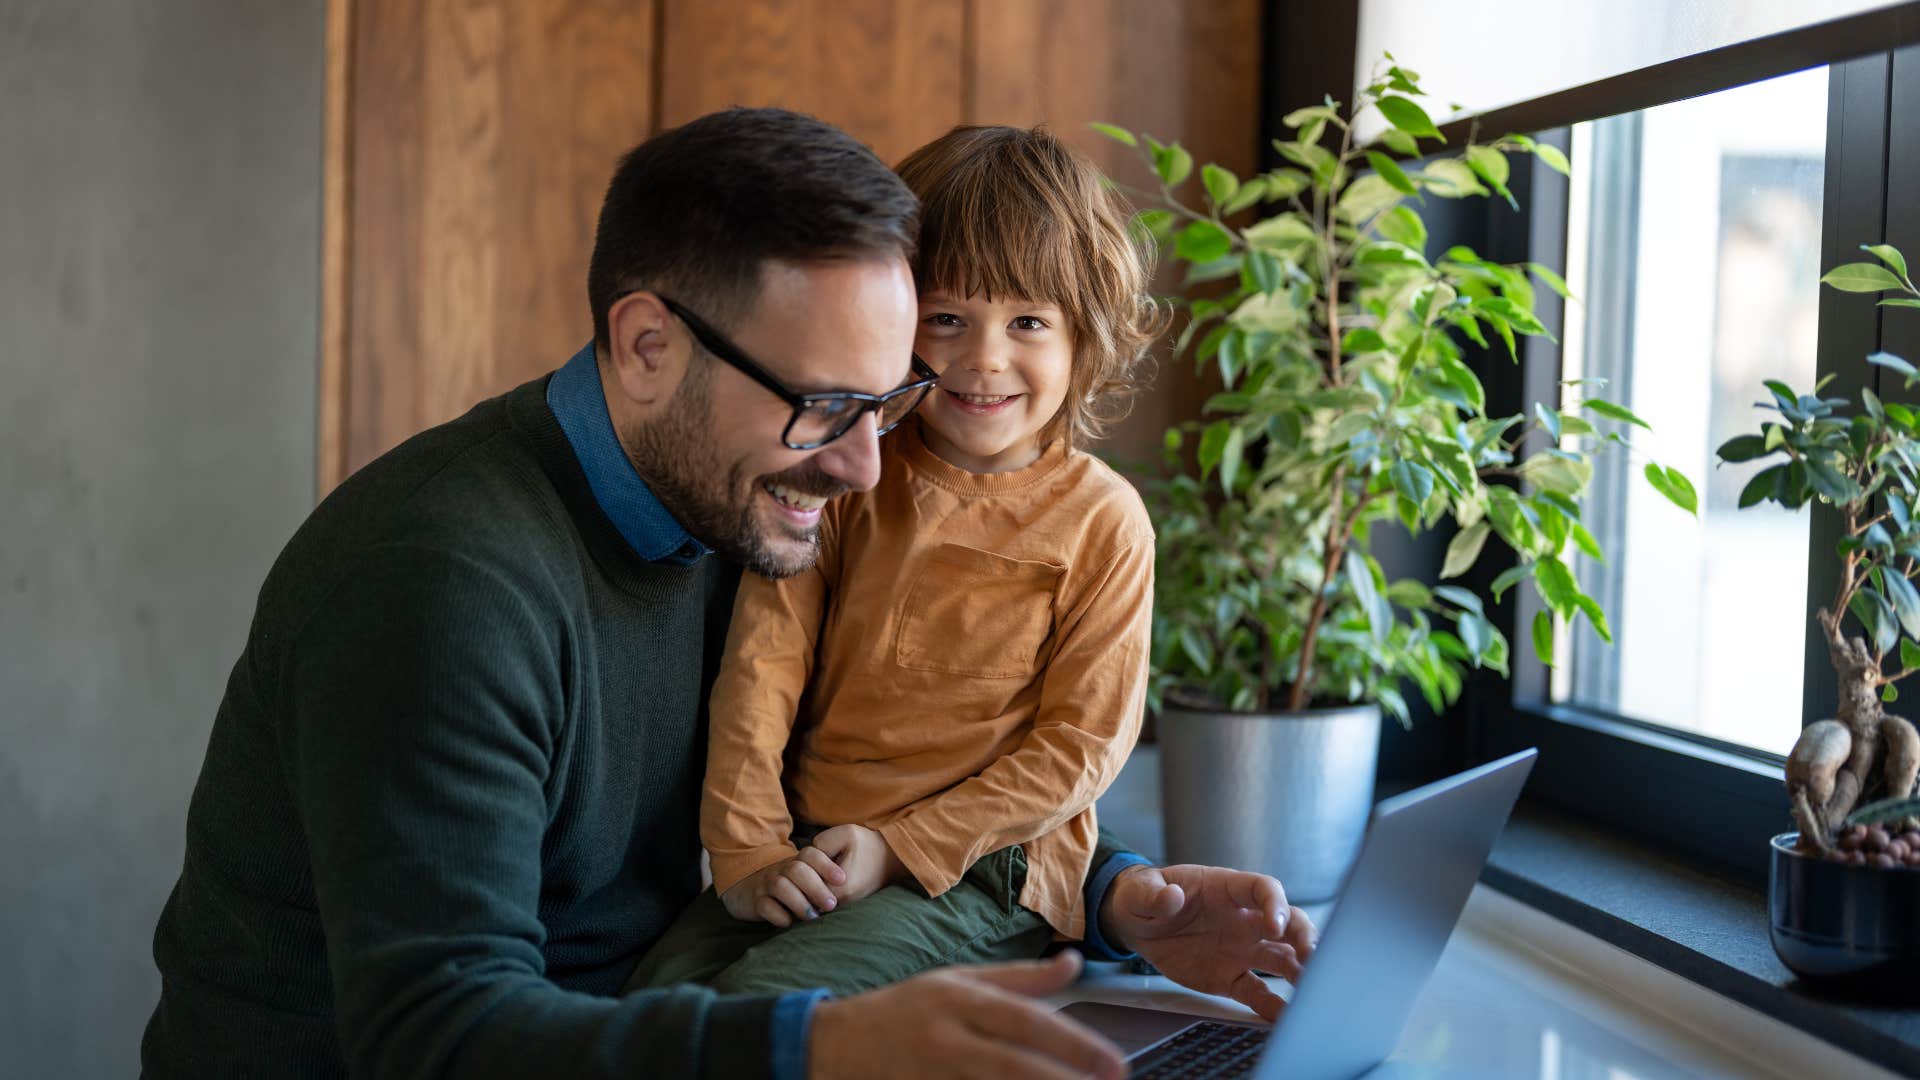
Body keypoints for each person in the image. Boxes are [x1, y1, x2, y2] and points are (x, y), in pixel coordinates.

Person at [141, 107, 1312, 1080]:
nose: (864, 468)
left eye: (885, 404)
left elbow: (895, 741)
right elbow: (438, 1036)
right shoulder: (439, 588)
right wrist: (819, 1044)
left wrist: (1111, 899)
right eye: (825, 406)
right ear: (648, 346)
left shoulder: (735, 502)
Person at [627, 123, 1187, 1000]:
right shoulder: (849, 475)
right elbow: (762, 664)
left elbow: (1081, 748)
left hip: (984, 873)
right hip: (814, 846)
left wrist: (899, 849)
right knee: (654, 1004)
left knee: (760, 1011)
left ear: (1087, 337)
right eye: (947, 319)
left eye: (1029, 321)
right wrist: (747, 849)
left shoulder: (1105, 522)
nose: (984, 360)